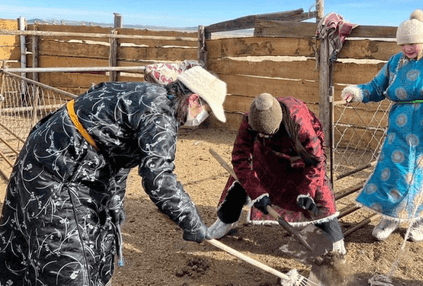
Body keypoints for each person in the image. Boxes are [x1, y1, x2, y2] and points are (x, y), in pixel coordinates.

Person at [0, 63, 227, 286]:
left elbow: (116, 155)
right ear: (194, 99)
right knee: (66, 253)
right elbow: (159, 177)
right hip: (60, 171)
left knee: (98, 236)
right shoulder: (161, 116)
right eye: (206, 111)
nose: (202, 118)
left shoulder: (146, 95)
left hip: (50, 153)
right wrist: (191, 221)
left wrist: (114, 204)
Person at [341, 9, 423, 242]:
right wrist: (357, 93)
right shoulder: (395, 63)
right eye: (403, 44)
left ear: (422, 41)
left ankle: (421, 219)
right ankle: (390, 217)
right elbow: (377, 87)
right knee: (396, 174)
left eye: (412, 43)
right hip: (400, 130)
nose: (408, 49)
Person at [208, 93, 346, 255]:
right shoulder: (250, 120)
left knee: (318, 189)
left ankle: (335, 240)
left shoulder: (299, 121)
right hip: (266, 153)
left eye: (268, 133)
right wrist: (256, 193)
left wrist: (307, 192)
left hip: (298, 154)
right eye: (260, 133)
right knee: (242, 179)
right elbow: (241, 159)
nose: (264, 136)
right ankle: (227, 220)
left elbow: (316, 160)